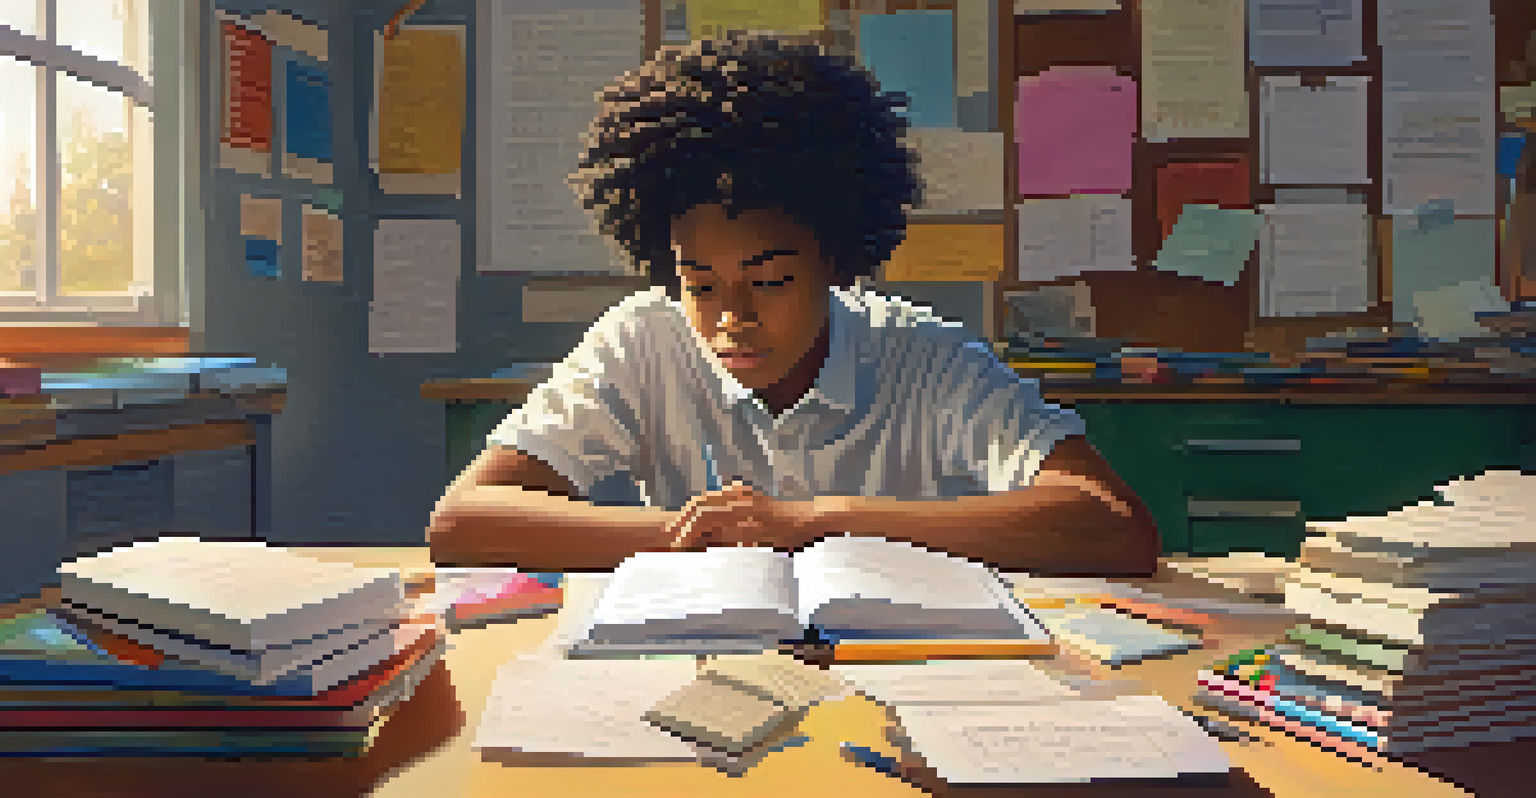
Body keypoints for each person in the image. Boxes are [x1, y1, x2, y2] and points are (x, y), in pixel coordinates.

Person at [428, 32, 1159, 575]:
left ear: (834, 257)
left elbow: (1114, 524)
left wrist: (818, 522)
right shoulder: (638, 341)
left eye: (770, 280)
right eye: (700, 284)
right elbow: (463, 521)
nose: (730, 320)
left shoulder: (927, 357)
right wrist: (698, 535)